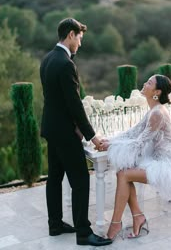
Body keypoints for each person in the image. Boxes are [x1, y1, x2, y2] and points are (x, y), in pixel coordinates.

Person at [40, 18, 112, 247]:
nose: (80, 44)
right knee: (80, 180)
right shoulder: (65, 63)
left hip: (51, 128)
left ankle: (55, 224)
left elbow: (56, 100)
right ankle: (84, 232)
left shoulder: (48, 59)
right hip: (63, 132)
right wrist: (93, 136)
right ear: (71, 35)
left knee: (54, 177)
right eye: (79, 38)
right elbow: (74, 104)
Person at [100, 74, 171, 240]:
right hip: (157, 158)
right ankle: (137, 217)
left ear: (157, 92)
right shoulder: (153, 110)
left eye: (149, 83)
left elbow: (139, 143)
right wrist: (110, 140)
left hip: (166, 165)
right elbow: (133, 132)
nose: (145, 84)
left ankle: (116, 223)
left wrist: (111, 145)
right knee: (123, 173)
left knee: (123, 174)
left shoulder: (157, 113)